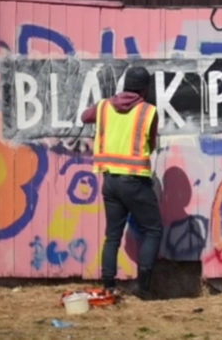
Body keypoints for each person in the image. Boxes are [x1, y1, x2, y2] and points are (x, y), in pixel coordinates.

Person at [80, 66, 161, 300]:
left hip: (110, 181)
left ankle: (108, 285)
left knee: (112, 236)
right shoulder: (148, 111)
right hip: (134, 181)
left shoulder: (104, 107)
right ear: (145, 89)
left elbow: (85, 116)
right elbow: (151, 144)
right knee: (153, 229)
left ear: (125, 85)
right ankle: (143, 289)